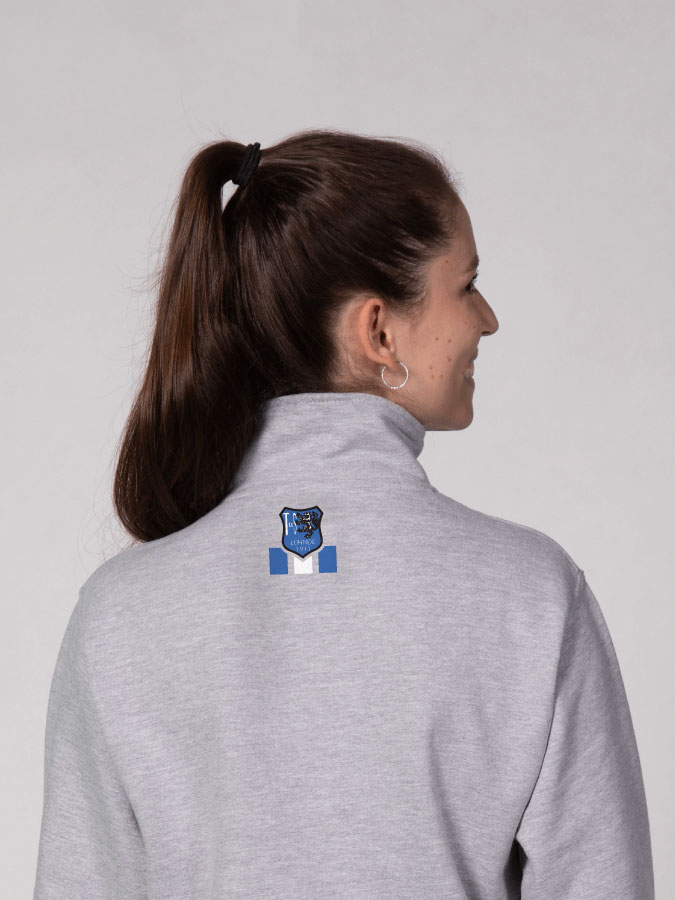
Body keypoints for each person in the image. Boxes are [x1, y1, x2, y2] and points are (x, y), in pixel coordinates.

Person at [33, 129, 655, 899]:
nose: (486, 319)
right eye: (466, 286)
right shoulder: (528, 593)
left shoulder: (120, 613)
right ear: (378, 331)